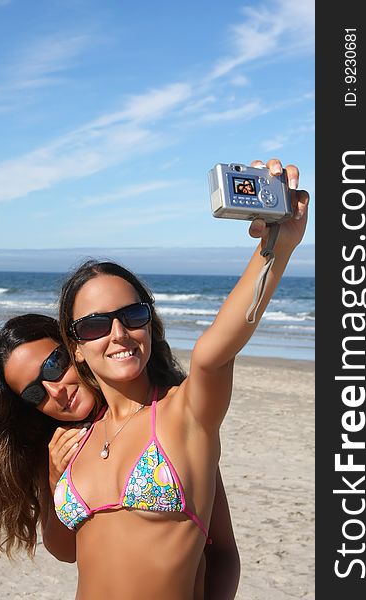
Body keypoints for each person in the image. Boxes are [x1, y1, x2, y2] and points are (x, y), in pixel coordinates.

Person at [55, 158, 308, 600]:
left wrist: (276, 247)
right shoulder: (77, 439)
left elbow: (212, 352)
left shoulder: (185, 413)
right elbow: (64, 550)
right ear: (75, 344)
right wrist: (50, 473)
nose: (118, 334)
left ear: (150, 325)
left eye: (133, 316)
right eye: (96, 325)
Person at [0, 313, 240, 599]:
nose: (55, 391)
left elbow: (222, 550)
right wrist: (55, 480)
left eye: (54, 366)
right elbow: (65, 551)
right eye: (34, 393)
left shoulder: (173, 420)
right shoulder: (56, 448)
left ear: (77, 349)